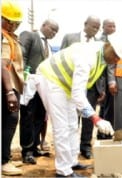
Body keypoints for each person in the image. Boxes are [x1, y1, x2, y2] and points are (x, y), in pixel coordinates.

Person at [34, 33, 122, 177]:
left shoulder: (102, 55)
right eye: (115, 55)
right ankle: (64, 171)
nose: (116, 59)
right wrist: (96, 118)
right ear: (108, 45)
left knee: (73, 124)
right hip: (51, 80)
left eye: (119, 58)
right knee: (62, 127)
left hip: (66, 85)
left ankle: (71, 162)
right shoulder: (88, 56)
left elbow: (81, 88)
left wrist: (87, 110)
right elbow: (78, 94)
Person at [60, 15, 103, 159]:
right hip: (71, 85)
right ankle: (71, 149)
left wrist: (101, 88)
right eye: (93, 26)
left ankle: (85, 146)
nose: (96, 30)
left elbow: (100, 66)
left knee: (88, 116)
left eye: (98, 27)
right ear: (85, 24)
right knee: (72, 118)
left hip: (91, 86)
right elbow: (61, 59)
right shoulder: (70, 38)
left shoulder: (98, 44)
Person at [19, 19, 59, 164]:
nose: (54, 33)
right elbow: (21, 55)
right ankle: (27, 151)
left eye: (56, 32)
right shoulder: (29, 35)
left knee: (39, 118)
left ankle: (35, 147)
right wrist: (23, 75)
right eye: (52, 29)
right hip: (28, 84)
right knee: (27, 117)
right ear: (43, 25)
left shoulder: (48, 45)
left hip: (43, 87)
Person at [1, 0, 24, 175]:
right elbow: (3, 64)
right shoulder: (3, 36)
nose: (16, 26)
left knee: (8, 122)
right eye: (15, 23)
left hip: (8, 86)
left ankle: (5, 158)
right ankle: (3, 161)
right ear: (6, 20)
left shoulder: (8, 36)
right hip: (5, 87)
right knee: (9, 121)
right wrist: (9, 91)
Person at [97, 18, 116, 140]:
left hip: (110, 79)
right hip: (102, 80)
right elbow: (108, 65)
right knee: (104, 108)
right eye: (109, 26)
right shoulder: (100, 42)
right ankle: (103, 133)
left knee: (109, 108)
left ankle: (105, 132)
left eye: (114, 26)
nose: (113, 29)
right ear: (103, 27)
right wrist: (110, 82)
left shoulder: (115, 41)